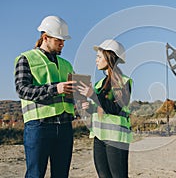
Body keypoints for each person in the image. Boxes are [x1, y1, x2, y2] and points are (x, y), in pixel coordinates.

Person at [14, 15, 76, 178]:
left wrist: (79, 96)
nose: (63, 44)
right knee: (35, 174)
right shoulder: (26, 59)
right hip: (39, 127)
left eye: (64, 40)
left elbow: (70, 95)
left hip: (64, 126)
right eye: (59, 40)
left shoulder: (66, 64)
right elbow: (22, 90)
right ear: (45, 37)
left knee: (61, 175)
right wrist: (56, 89)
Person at [77, 39, 133, 178]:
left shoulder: (124, 82)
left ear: (109, 57)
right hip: (99, 136)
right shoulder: (98, 84)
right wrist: (90, 107)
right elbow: (103, 108)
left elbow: (115, 108)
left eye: (99, 57)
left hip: (116, 137)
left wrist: (93, 96)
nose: (96, 60)